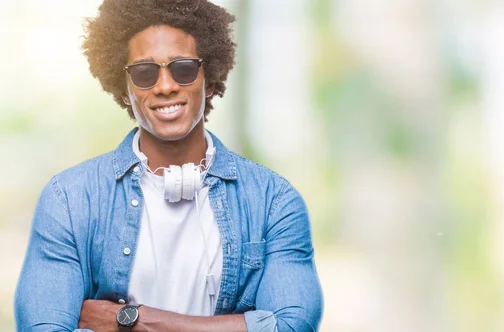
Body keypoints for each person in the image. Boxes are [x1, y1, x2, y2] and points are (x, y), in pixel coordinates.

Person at [13, 0, 323, 331]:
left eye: (183, 68)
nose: (165, 86)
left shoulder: (274, 202)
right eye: (145, 73)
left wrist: (131, 321)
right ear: (126, 86)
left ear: (208, 75)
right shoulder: (70, 200)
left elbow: (292, 325)